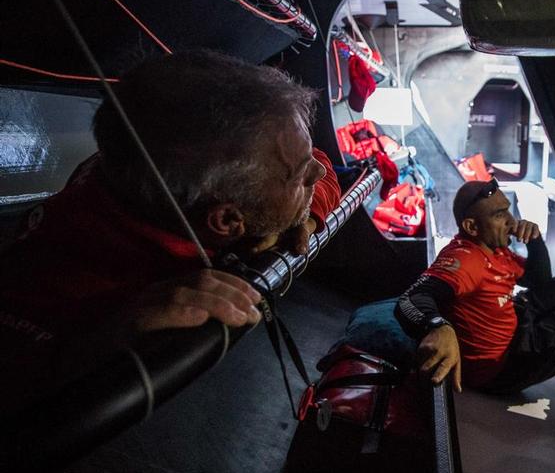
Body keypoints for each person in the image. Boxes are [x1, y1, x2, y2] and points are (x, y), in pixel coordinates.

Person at [0, 50, 341, 412]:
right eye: (301, 176)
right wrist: (101, 341)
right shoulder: (61, 276)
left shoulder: (146, 164)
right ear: (226, 222)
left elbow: (322, 165)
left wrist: (305, 218)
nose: (316, 175)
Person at [395, 179, 555, 393]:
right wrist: (437, 326)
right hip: (504, 365)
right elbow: (410, 299)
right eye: (500, 215)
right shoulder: (466, 259)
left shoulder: (495, 248)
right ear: (471, 227)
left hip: (515, 323)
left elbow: (539, 282)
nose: (512, 222)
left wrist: (535, 241)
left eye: (508, 211)